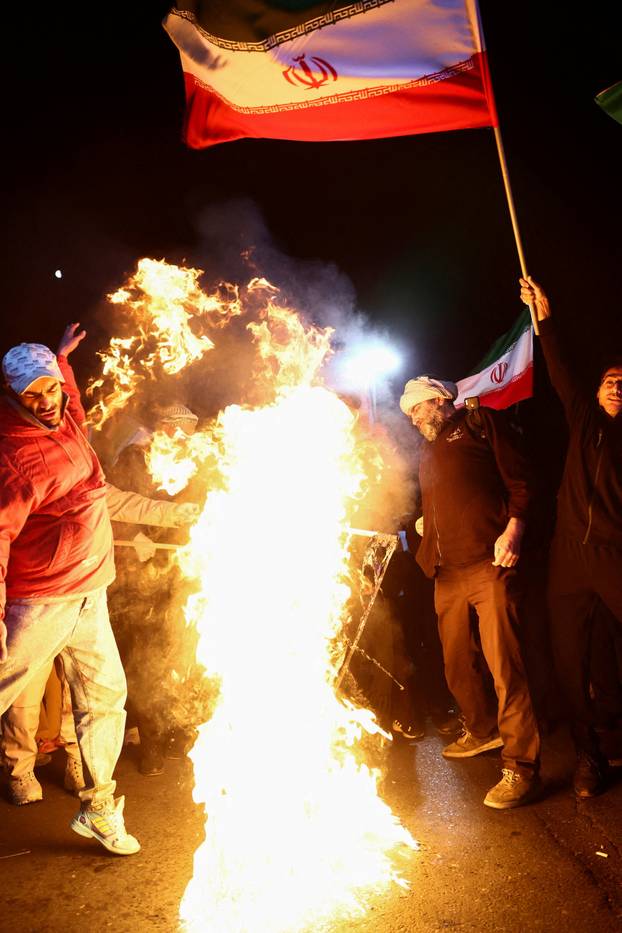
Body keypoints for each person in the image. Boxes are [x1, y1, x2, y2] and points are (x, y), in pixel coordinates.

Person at [0, 334, 198, 850]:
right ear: (12, 395)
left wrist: (63, 360)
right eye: (31, 394)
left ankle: (99, 805)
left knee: (106, 697)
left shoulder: (65, 418)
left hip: (91, 593)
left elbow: (96, 493)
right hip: (41, 601)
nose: (45, 400)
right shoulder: (15, 459)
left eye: (50, 388)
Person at [399, 375, 541, 809]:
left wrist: (515, 528)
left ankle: (521, 767)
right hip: (447, 573)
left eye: (419, 407)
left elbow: (521, 482)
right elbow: (442, 502)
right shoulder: (427, 450)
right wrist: (427, 527)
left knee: (505, 667)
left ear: (441, 400)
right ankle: (482, 731)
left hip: (488, 564)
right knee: (457, 663)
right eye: (409, 414)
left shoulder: (480, 423)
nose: (414, 417)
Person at [519, 275, 622, 796]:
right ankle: (589, 757)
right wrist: (545, 319)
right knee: (568, 657)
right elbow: (560, 371)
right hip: (568, 557)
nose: (616, 386)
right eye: (609, 380)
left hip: (614, 555)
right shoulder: (584, 421)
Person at [106, 402, 203, 776]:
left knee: (171, 650)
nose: (185, 438)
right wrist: (137, 540)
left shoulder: (188, 463)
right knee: (142, 653)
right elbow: (119, 505)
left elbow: (190, 508)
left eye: (190, 431)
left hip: (176, 568)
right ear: (163, 426)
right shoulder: (136, 457)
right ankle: (148, 746)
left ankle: (166, 733)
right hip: (138, 572)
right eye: (180, 429)